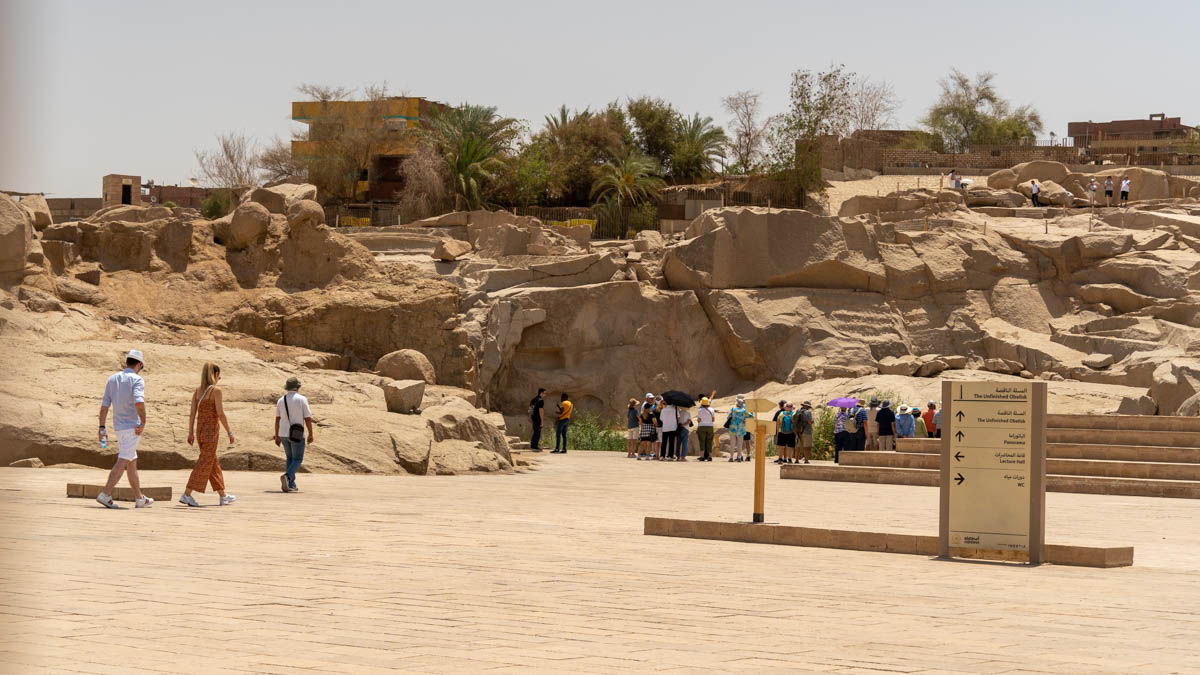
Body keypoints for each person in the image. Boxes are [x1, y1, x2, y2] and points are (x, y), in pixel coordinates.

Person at [95, 349, 153, 509]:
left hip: (119, 427)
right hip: (132, 427)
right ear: (139, 364)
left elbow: (104, 406)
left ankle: (140, 498)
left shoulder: (112, 379)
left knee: (131, 461)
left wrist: (101, 428)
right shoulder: (137, 380)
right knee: (123, 460)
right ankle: (105, 494)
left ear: (127, 362)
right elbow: (139, 403)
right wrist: (143, 422)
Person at [180, 362, 236, 507]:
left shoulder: (197, 391)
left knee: (212, 462)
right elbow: (220, 413)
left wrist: (190, 432)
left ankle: (223, 495)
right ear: (215, 374)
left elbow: (192, 413)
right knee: (205, 461)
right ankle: (187, 494)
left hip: (200, 431)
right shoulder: (216, 391)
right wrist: (229, 431)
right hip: (211, 431)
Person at [275, 376, 313, 493]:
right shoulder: (302, 399)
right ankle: (287, 476)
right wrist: (311, 433)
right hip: (296, 434)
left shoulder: (281, 400)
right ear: (297, 387)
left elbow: (277, 419)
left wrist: (276, 435)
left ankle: (291, 484)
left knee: (290, 458)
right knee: (297, 458)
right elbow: (307, 417)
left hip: (283, 433)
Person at [726, 396, 753, 462]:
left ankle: (731, 457)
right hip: (741, 429)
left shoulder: (733, 409)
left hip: (733, 429)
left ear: (737, 404)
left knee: (732, 444)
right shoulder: (744, 411)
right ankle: (739, 457)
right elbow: (751, 416)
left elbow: (728, 417)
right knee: (739, 444)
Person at [696, 397, 716, 461]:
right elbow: (713, 420)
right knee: (709, 441)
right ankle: (710, 456)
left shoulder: (700, 410)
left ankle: (702, 456)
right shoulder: (712, 409)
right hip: (710, 426)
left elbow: (699, 420)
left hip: (702, 426)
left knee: (702, 441)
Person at [529, 388, 546, 452]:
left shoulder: (533, 399)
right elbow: (541, 411)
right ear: (541, 393)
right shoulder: (541, 400)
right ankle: (534, 446)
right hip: (537, 418)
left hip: (533, 416)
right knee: (538, 432)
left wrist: (531, 416)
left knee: (535, 431)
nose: (545, 395)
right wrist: (542, 421)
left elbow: (530, 409)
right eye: (544, 393)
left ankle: (533, 445)